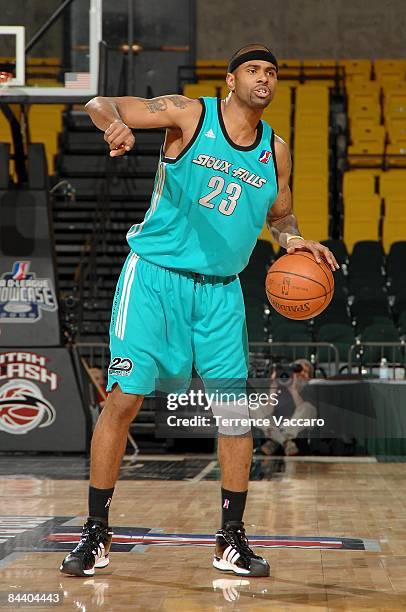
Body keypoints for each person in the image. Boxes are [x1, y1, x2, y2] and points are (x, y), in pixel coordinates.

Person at [60, 43, 339, 578]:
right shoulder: (190, 115)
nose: (264, 78)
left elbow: (279, 214)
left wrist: (295, 239)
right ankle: (96, 531)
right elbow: (101, 102)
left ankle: (230, 538)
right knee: (124, 399)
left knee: (235, 414)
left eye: (272, 73)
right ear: (231, 81)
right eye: (253, 70)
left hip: (220, 293)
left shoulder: (275, 151)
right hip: (154, 281)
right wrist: (112, 125)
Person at [256, 359, 317, 456]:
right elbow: (268, 411)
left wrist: (293, 390)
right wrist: (273, 387)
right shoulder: (280, 388)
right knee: (257, 407)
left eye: (306, 372)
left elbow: (303, 411)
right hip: (277, 427)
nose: (302, 373)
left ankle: (276, 442)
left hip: (296, 432)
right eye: (299, 370)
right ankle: (285, 442)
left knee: (307, 407)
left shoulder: (310, 389)